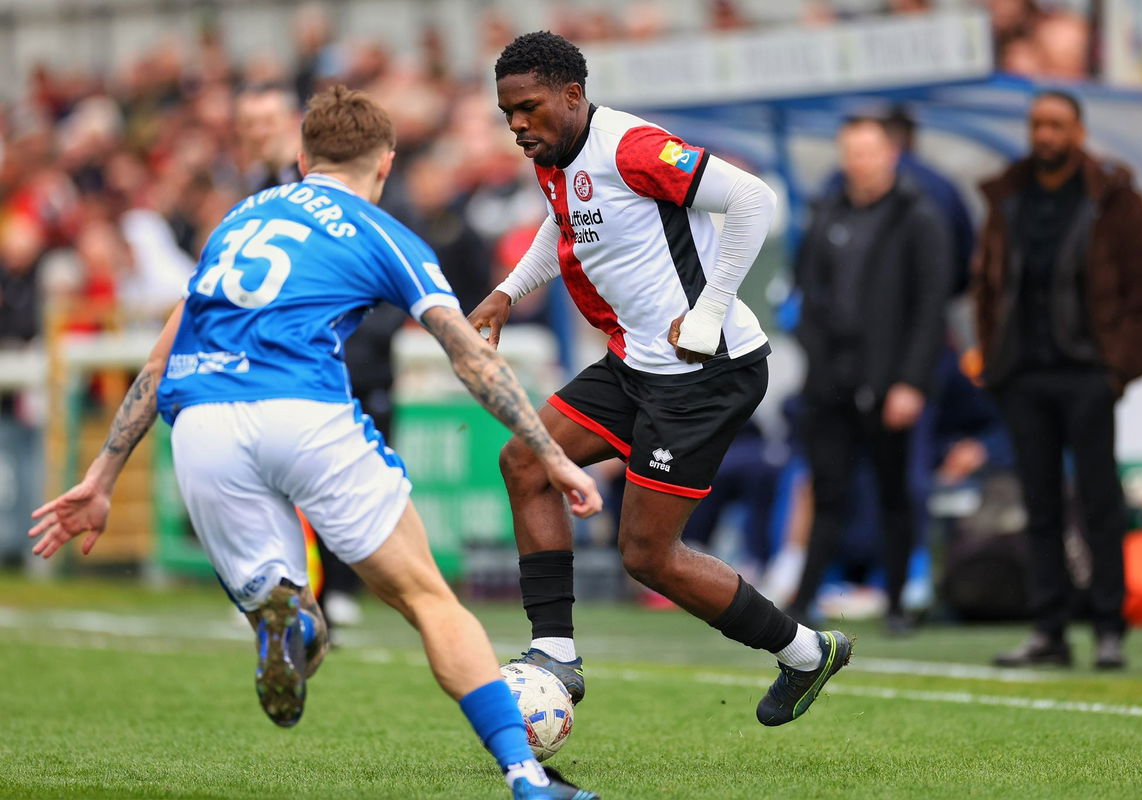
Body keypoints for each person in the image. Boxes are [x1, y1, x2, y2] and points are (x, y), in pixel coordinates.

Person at [28, 85, 600, 800]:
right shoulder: (380, 229)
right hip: (302, 412)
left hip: (201, 426)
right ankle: (526, 777)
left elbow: (157, 360)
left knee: (284, 598)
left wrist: (103, 475)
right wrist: (549, 454)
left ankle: (289, 615)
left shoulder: (236, 221)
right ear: (385, 164)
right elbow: (470, 356)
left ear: (300, 157)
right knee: (429, 601)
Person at [468, 31, 851, 728]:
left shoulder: (632, 147)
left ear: (572, 95)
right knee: (526, 460)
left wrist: (710, 311)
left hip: (706, 372)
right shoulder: (555, 150)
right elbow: (566, 228)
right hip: (636, 361)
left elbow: (753, 201)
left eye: (527, 108)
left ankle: (804, 651)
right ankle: (554, 652)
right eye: (507, 114)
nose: (517, 125)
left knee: (647, 555)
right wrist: (507, 290)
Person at [974, 90, 1142, 670]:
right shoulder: (1008, 193)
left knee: (1100, 500)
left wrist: (1116, 368)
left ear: (1078, 131)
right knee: (1039, 505)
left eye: (1056, 125)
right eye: (1037, 124)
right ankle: (1049, 629)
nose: (1045, 135)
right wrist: (994, 360)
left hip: (1088, 373)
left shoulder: (1113, 195)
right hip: (1023, 374)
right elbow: (988, 283)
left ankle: (1109, 627)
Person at [786, 116, 951, 635]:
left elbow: (931, 308)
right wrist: (815, 357)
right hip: (831, 382)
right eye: (851, 152)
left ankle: (899, 602)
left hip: (891, 384)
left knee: (895, 494)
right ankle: (804, 601)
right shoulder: (827, 214)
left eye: (869, 151)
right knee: (828, 491)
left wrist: (912, 381)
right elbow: (807, 292)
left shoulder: (918, 217)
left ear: (891, 154)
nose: (860, 162)